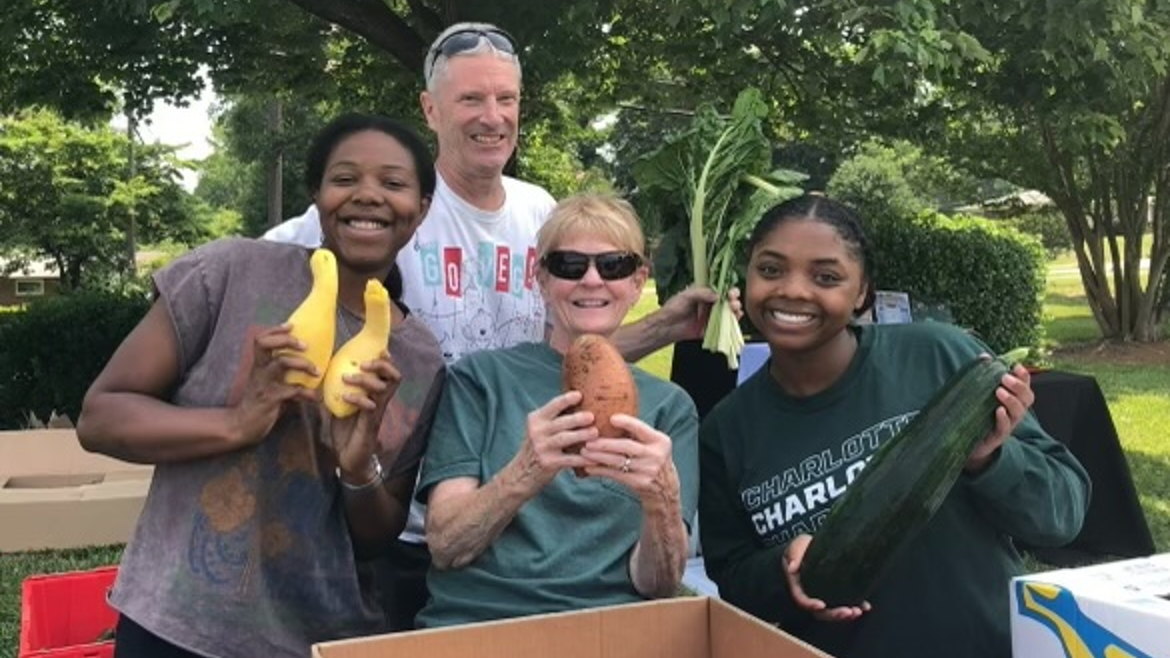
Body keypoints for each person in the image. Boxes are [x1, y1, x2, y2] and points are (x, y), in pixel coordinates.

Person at [263, 21, 728, 630]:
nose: (492, 116)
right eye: (471, 99)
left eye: (506, 99)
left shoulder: (537, 208)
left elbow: (574, 347)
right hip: (400, 506)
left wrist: (664, 328)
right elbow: (260, 273)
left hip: (503, 524)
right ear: (431, 109)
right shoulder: (394, 207)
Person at [75, 113, 446, 658]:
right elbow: (100, 416)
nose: (368, 196)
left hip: (322, 639)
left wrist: (356, 465)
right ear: (316, 196)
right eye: (344, 179)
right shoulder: (230, 273)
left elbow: (375, 536)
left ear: (422, 210)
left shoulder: (418, 357)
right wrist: (237, 422)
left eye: (393, 183)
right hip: (177, 627)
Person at [696, 194, 1091, 658]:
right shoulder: (727, 430)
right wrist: (784, 570)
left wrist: (990, 459)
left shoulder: (940, 357)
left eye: (826, 276)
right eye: (771, 269)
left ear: (862, 292)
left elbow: (1062, 513)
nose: (794, 291)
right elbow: (735, 581)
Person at [413, 193, 699, 628]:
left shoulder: (669, 408)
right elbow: (446, 545)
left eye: (613, 265)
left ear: (638, 281)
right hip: (480, 625)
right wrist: (526, 470)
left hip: (606, 632)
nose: (591, 280)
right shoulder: (480, 380)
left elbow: (657, 585)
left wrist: (660, 498)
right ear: (540, 278)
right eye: (569, 265)